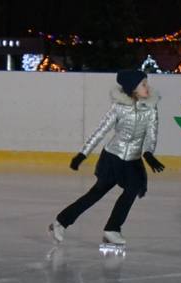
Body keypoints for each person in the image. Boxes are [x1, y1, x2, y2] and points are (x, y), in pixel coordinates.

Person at [49, 69, 165, 248]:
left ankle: (112, 229)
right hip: (113, 157)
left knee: (132, 189)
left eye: (146, 83)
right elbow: (101, 131)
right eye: (143, 84)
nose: (147, 87)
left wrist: (148, 154)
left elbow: (152, 135)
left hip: (133, 160)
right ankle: (60, 222)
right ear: (132, 88)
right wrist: (83, 154)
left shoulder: (151, 109)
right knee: (96, 193)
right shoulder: (119, 107)